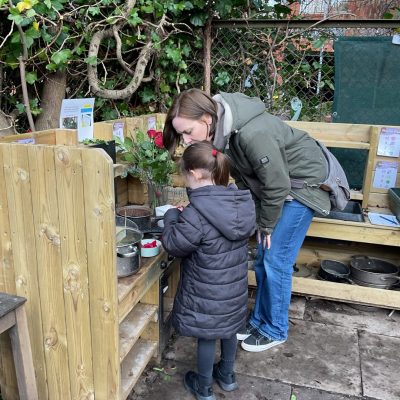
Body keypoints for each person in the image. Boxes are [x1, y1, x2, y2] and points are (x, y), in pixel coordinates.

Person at [163, 89, 331, 353]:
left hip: (302, 188)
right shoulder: (225, 133)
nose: (185, 140)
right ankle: (259, 321)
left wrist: (266, 224)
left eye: (188, 131)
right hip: (279, 188)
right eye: (181, 134)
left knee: (275, 259)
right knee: (264, 256)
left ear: (207, 118)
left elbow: (277, 184)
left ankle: (275, 328)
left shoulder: (252, 134)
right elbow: (245, 179)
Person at [162, 141, 256, 400]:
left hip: (206, 291)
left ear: (194, 173)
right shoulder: (241, 203)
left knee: (207, 336)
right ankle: (227, 376)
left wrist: (171, 217)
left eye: (185, 176)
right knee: (229, 329)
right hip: (233, 288)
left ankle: (203, 387)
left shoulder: (196, 213)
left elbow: (174, 244)